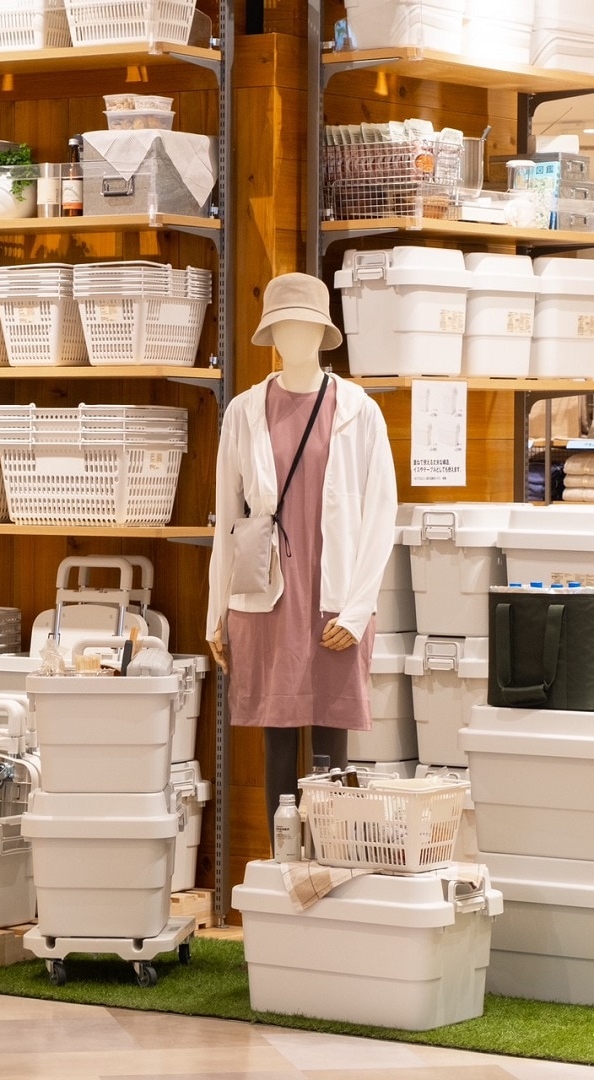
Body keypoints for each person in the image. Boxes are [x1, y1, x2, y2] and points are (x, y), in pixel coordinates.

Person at [206, 272, 398, 843]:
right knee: (277, 735)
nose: (294, 337)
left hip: (335, 596)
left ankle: (333, 854)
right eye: (282, 327)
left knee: (332, 737)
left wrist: (357, 612)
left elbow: (380, 516)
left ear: (322, 332)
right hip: (268, 596)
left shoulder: (359, 411)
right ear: (270, 334)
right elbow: (227, 520)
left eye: (304, 326)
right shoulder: (244, 411)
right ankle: (282, 857)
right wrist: (217, 613)